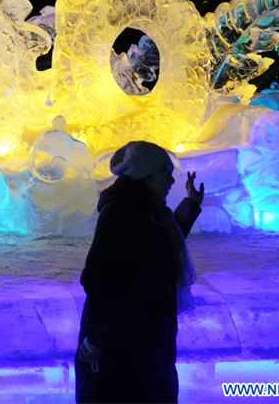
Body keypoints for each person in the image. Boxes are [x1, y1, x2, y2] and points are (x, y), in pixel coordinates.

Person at [75, 141, 204, 403]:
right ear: (144, 173)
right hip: (124, 338)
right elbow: (99, 278)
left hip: (148, 332)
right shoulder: (121, 212)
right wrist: (96, 337)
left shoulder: (148, 208)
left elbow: (163, 244)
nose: (170, 180)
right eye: (164, 172)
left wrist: (190, 204)